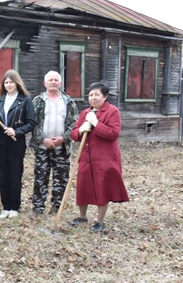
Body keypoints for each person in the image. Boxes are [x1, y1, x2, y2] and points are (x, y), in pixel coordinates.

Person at [70, 80, 129, 232]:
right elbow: (74, 134)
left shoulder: (112, 111)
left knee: (102, 188)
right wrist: (81, 129)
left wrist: (96, 123)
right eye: (90, 95)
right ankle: (82, 217)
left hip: (104, 158)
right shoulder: (85, 113)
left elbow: (113, 134)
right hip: (86, 157)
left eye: (97, 94)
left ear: (105, 96)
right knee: (83, 187)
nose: (93, 98)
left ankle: (99, 221)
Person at [29, 71, 78, 216]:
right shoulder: (38, 101)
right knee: (40, 178)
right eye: (50, 80)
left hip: (62, 148)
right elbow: (32, 123)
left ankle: (56, 208)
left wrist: (63, 138)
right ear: (45, 83)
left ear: (60, 83)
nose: (53, 82)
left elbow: (74, 123)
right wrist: (43, 139)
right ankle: (38, 208)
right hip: (42, 147)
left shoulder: (68, 102)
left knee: (61, 179)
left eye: (56, 80)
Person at [0, 69, 35, 218]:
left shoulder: (25, 100)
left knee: (15, 173)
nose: (9, 85)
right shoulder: (0, 100)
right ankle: (6, 206)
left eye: (11, 82)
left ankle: (14, 207)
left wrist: (16, 131)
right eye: (6, 82)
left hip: (16, 142)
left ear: (17, 83)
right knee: (2, 174)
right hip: (1, 141)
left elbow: (31, 123)